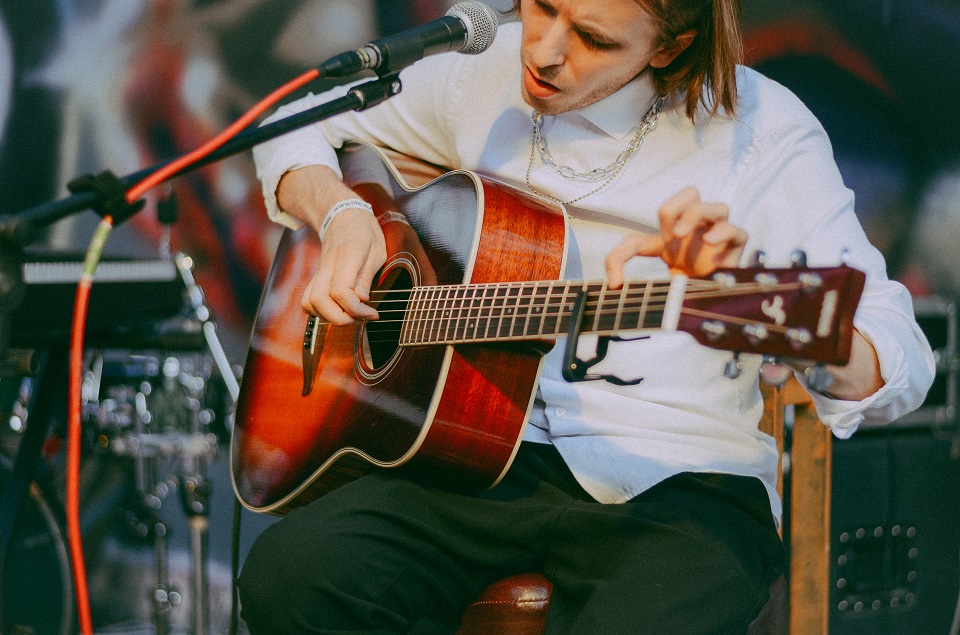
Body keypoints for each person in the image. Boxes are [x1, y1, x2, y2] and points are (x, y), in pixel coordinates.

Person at [238, 0, 936, 632]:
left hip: (681, 486)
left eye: (594, 39)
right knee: (293, 577)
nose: (543, 50)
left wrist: (773, 312)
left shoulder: (764, 133)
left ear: (670, 46)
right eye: (542, 7)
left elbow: (896, 353)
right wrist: (341, 213)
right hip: (481, 458)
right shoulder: (481, 69)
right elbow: (291, 115)